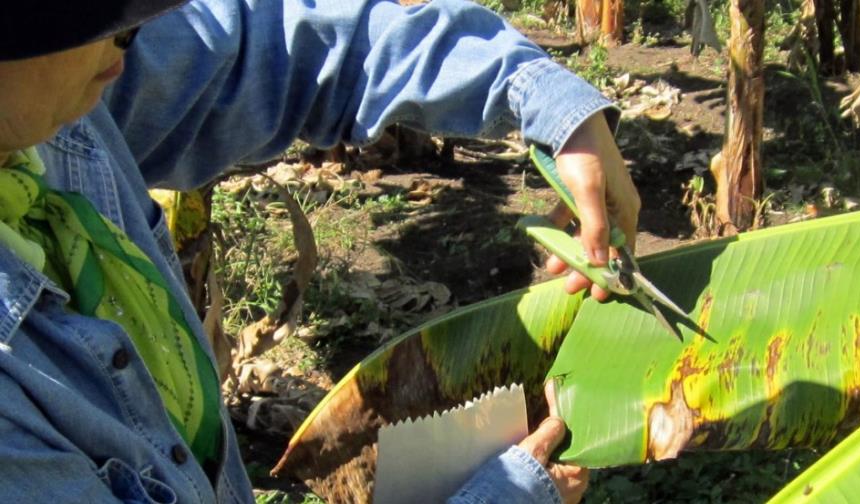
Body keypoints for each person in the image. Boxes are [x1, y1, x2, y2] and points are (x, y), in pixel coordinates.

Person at [0, 0, 639, 502]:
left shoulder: (49, 117)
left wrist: (548, 102)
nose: (125, 49)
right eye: (100, 24)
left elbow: (293, 46)